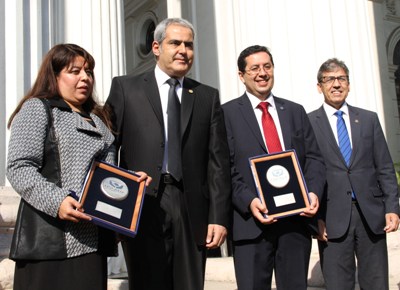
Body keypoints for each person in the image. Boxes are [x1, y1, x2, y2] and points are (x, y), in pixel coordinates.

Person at [6, 43, 150, 290]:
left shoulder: (100, 121)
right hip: (49, 241)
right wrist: (58, 201)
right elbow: (19, 167)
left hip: (93, 240)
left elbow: (104, 178)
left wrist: (129, 185)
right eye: (75, 71)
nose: (85, 77)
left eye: (89, 71)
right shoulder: (38, 108)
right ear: (55, 75)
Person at [105, 18, 231, 290]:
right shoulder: (125, 88)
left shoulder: (206, 96)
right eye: (175, 43)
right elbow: (108, 148)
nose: (183, 50)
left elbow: (217, 163)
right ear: (156, 46)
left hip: (191, 209)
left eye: (189, 45)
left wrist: (218, 218)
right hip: (141, 204)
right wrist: (112, 208)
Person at [222, 45, 326, 290]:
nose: (262, 73)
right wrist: (248, 201)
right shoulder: (225, 114)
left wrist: (313, 193)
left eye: (267, 66)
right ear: (241, 75)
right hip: (252, 224)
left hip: (295, 222)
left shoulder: (294, 111)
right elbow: (224, 167)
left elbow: (314, 159)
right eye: (254, 68)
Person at [308, 58, 400, 290]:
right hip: (331, 218)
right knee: (338, 285)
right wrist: (314, 219)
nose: (336, 84)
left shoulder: (368, 119)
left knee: (377, 283)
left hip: (371, 216)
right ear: (319, 87)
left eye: (341, 79)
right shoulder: (309, 123)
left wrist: (392, 208)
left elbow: (385, 167)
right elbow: (306, 173)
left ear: (349, 84)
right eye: (329, 80)